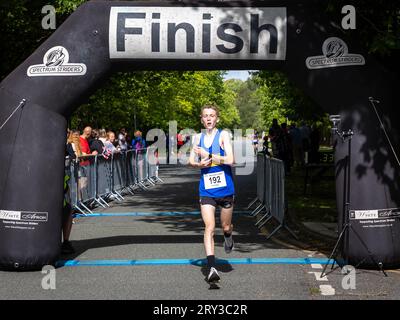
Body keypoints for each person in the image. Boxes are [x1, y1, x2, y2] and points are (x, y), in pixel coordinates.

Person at [189, 104, 235, 284]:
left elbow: (230, 160)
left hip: (225, 189)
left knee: (225, 226)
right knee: (209, 226)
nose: (208, 118)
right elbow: (191, 161)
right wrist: (197, 164)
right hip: (206, 189)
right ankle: (211, 266)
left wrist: (208, 154)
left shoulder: (223, 135)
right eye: (205, 116)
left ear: (217, 119)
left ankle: (228, 236)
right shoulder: (197, 138)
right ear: (201, 119)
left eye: (212, 116)